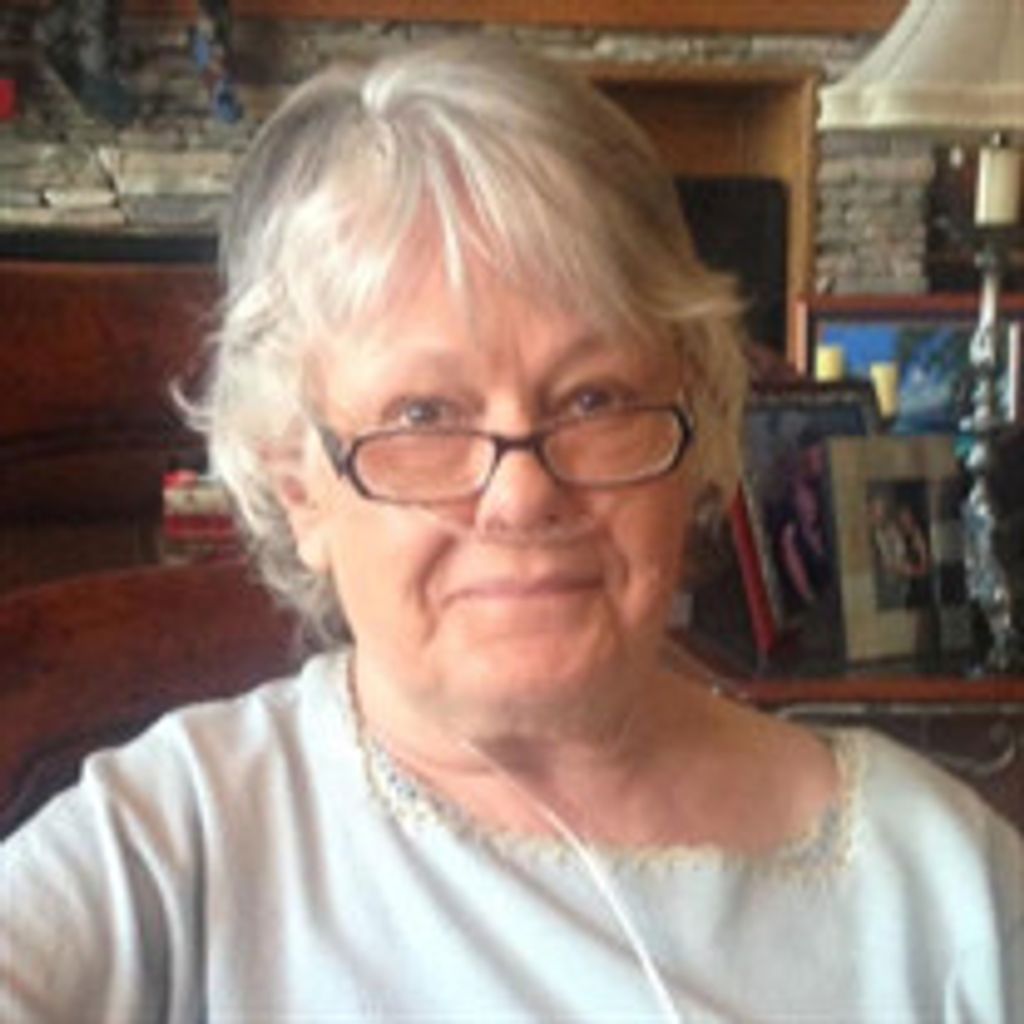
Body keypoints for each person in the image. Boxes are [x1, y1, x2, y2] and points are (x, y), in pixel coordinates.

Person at [2, 38, 1021, 1022]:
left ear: (700, 427)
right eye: (422, 415)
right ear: (300, 487)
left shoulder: (938, 887)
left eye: (593, 399)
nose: (523, 496)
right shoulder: (172, 844)